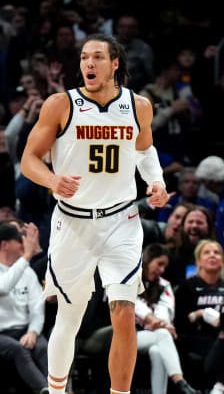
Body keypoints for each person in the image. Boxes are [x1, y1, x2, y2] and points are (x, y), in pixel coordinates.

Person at [20, 33, 170, 394]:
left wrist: (157, 182)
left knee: (124, 313)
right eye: (85, 57)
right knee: (69, 316)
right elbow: (28, 161)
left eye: (98, 57)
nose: (88, 63)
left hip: (121, 220)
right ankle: (56, 390)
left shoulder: (139, 107)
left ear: (115, 63)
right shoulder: (60, 104)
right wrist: (54, 180)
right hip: (73, 222)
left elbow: (144, 150)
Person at [0, 223, 48, 393]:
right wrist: (27, 256)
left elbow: (37, 305)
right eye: (19, 240)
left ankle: (60, 389)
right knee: (18, 349)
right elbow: (2, 286)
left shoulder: (27, 271)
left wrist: (33, 331)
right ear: (4, 244)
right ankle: (46, 390)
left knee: (43, 347)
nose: (24, 244)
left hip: (23, 329)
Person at [134, 243, 198, 394]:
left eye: (164, 267)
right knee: (163, 335)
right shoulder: (132, 279)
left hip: (153, 334)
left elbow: (166, 308)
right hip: (127, 334)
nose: (162, 270)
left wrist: (161, 323)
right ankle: (180, 382)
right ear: (148, 259)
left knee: (157, 350)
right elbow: (135, 306)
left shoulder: (164, 284)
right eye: (159, 264)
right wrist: (153, 321)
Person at [173, 239, 224, 391]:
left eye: (217, 252)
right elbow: (179, 322)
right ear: (198, 261)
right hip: (196, 340)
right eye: (207, 252)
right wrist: (197, 314)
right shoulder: (187, 287)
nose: (212, 255)